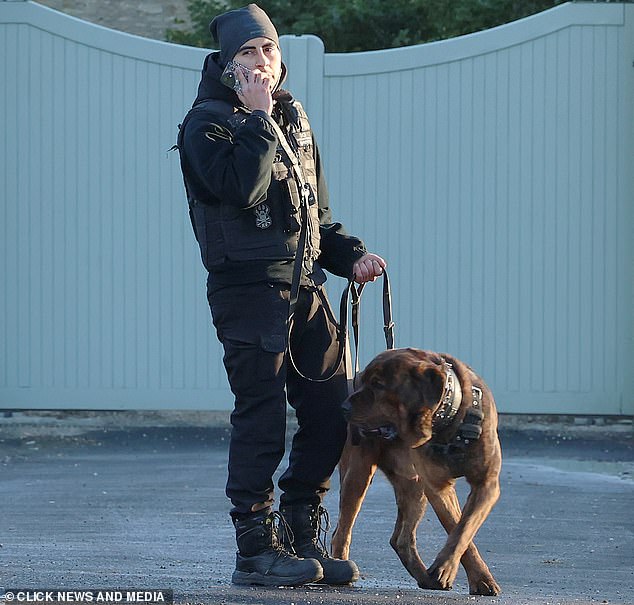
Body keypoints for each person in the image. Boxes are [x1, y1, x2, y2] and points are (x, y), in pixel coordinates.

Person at [177, 3, 386, 587]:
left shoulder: (292, 117)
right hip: (247, 293)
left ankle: (300, 537)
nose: (261, 62)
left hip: (305, 290)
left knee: (331, 413)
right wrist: (254, 117)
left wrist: (351, 256)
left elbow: (313, 216)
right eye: (248, 53)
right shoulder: (207, 124)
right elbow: (242, 191)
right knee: (261, 418)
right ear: (225, 64)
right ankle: (255, 552)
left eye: (268, 50)